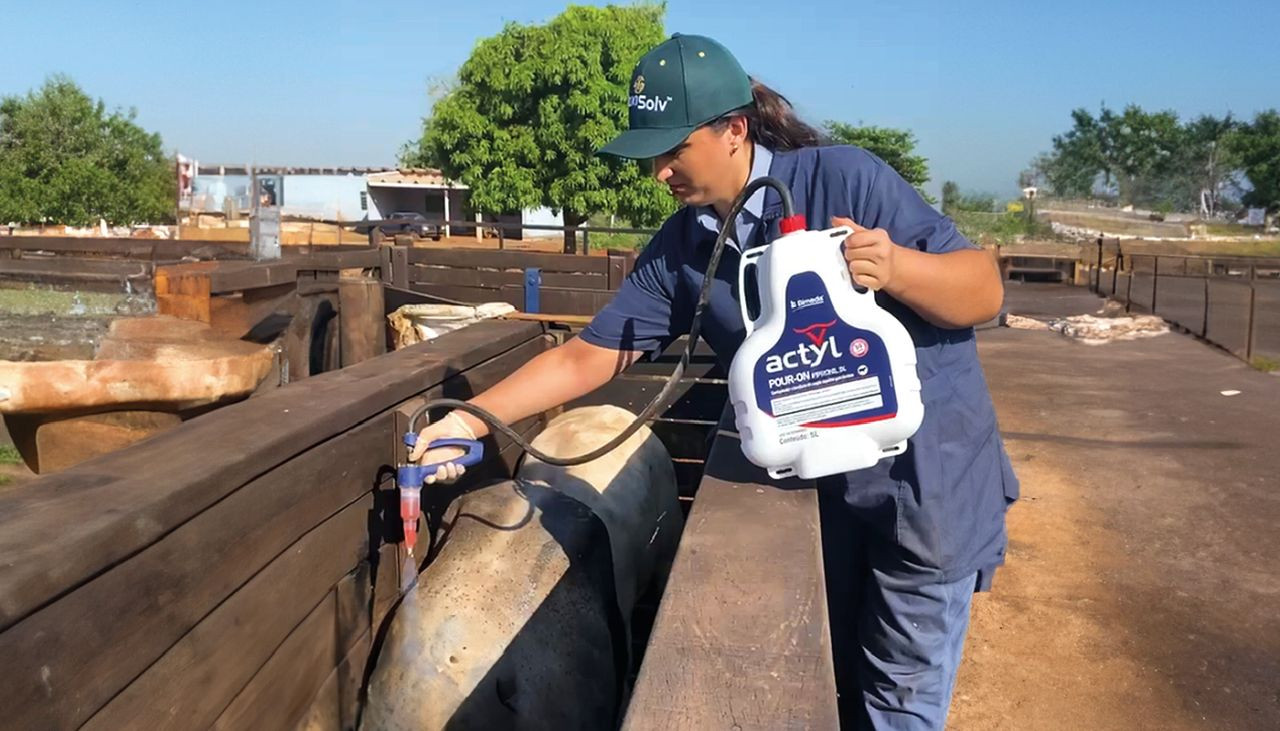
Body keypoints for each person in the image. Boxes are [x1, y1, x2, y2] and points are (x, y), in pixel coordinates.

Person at [411, 33, 1019, 730]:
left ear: (734, 130)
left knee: (898, 707)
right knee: (842, 685)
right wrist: (469, 420)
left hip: (927, 488)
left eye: (673, 152)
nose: (658, 174)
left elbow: (983, 290)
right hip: (829, 496)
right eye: (651, 157)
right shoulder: (685, 248)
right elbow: (586, 357)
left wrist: (898, 268)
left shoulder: (843, 181)